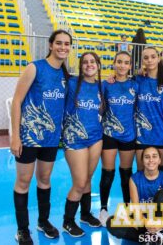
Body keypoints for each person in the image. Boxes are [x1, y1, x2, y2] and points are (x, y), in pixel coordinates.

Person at [10, 29, 72, 244]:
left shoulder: (66, 75)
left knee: (44, 179)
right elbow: (17, 101)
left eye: (67, 44)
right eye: (59, 43)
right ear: (50, 45)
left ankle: (43, 221)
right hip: (28, 137)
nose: (63, 47)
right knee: (24, 181)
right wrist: (15, 136)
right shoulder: (34, 68)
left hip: (52, 139)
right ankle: (22, 230)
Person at [62, 52, 104, 237]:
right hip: (74, 138)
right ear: (81, 66)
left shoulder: (102, 87)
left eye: (92, 62)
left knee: (87, 178)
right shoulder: (71, 84)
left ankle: (85, 214)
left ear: (98, 65)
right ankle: (67, 221)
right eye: (85, 62)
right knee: (79, 182)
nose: (89, 65)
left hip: (95, 137)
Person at [99, 51, 138, 226]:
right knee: (108, 173)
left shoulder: (134, 85)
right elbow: (100, 109)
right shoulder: (106, 84)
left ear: (130, 66)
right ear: (114, 63)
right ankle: (103, 209)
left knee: (126, 174)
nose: (122, 65)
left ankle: (128, 207)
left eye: (126, 63)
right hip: (109, 134)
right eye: (119, 62)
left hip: (128, 135)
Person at [106, 146, 163, 244]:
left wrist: (161, 224)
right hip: (142, 221)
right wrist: (146, 223)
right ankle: (152, 238)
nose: (151, 160)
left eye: (154, 156)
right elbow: (136, 207)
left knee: (162, 195)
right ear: (142, 161)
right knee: (111, 222)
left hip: (160, 222)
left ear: (159, 160)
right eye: (147, 157)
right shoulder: (134, 179)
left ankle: (150, 236)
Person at [135, 47, 163, 171]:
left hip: (161, 133)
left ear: (158, 58)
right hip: (141, 134)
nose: (150, 60)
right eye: (146, 58)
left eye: (153, 57)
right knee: (142, 171)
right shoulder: (137, 80)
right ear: (142, 61)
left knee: (161, 172)